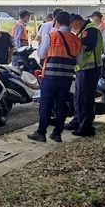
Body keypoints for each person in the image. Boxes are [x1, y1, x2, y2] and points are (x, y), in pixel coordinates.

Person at [27, 12, 82, 143]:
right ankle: (57, 134)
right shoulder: (76, 40)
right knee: (61, 105)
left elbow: (40, 54)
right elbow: (79, 61)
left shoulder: (52, 36)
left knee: (46, 105)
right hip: (66, 78)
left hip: (50, 77)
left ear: (56, 22)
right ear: (69, 23)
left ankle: (41, 133)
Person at [65, 14, 104, 137]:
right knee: (78, 97)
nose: (72, 29)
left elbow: (88, 46)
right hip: (84, 68)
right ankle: (78, 121)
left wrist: (73, 40)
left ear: (76, 22)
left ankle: (86, 127)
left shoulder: (91, 29)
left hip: (90, 69)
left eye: (72, 26)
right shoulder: (85, 30)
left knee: (85, 98)